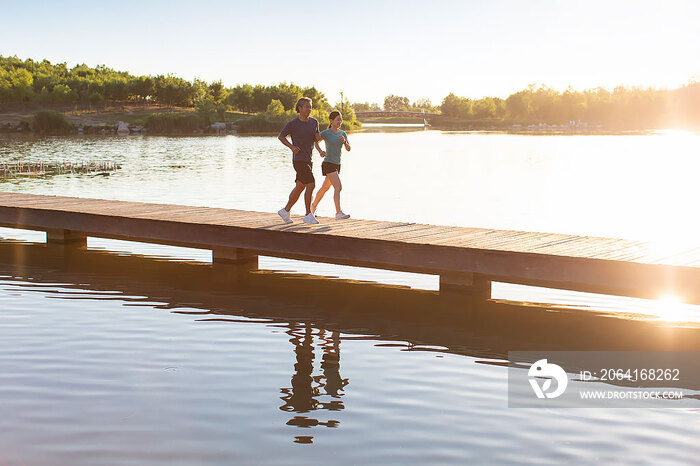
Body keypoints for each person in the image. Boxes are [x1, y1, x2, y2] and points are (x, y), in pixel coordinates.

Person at [277, 97, 322, 224]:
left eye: (310, 107)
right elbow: (281, 137)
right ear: (300, 108)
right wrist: (291, 147)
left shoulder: (314, 122)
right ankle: (308, 214)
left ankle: (285, 211)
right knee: (311, 184)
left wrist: (320, 138)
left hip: (309, 159)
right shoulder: (292, 124)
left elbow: (316, 138)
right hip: (299, 160)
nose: (309, 109)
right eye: (307, 106)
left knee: (300, 186)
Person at [311, 110, 351, 219]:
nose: (340, 121)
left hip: (337, 164)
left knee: (325, 188)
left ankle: (313, 207)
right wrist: (320, 151)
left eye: (341, 119)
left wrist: (344, 142)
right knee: (338, 187)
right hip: (328, 163)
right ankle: (338, 212)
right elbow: (316, 141)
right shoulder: (326, 133)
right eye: (338, 119)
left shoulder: (343, 134)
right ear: (331, 120)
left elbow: (348, 149)